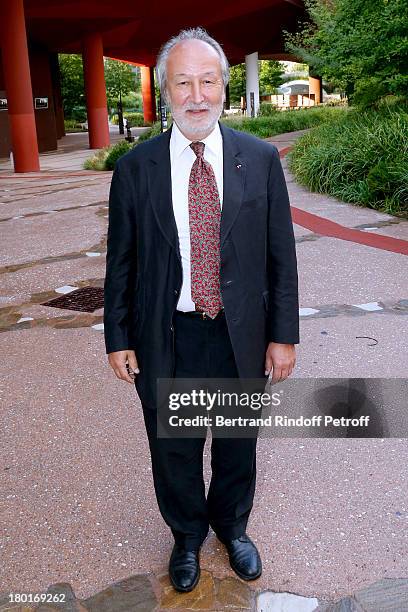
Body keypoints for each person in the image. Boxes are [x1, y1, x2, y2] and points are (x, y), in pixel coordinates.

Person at [104, 27, 299, 593]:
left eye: (207, 80)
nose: (197, 94)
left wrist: (282, 334)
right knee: (175, 448)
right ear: (166, 90)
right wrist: (118, 336)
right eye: (183, 82)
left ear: (223, 84)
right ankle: (186, 535)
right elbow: (121, 262)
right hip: (168, 334)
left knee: (238, 445)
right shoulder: (136, 168)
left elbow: (280, 255)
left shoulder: (259, 159)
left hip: (240, 335)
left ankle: (232, 527)